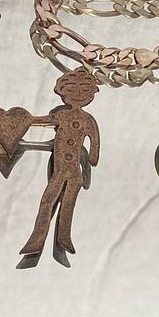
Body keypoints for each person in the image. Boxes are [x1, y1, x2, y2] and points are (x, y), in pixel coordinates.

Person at [20, 67, 100, 263]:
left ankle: (63, 241)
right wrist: (22, 119)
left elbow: (94, 146)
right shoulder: (62, 116)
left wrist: (91, 159)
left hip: (74, 174)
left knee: (65, 204)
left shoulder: (87, 120)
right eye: (73, 89)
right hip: (60, 172)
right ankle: (36, 243)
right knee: (48, 202)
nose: (79, 93)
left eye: (84, 90)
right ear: (64, 92)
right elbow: (39, 121)